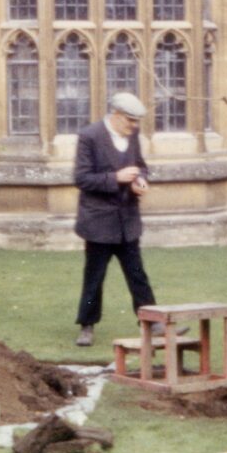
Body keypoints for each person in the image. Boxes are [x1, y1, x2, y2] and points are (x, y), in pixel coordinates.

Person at [72, 92, 159, 347]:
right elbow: (82, 178)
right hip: (98, 222)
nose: (134, 126)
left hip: (127, 220)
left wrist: (140, 179)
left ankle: (152, 322)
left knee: (137, 274)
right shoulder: (89, 136)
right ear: (116, 115)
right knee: (94, 278)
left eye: (136, 122)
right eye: (131, 121)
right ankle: (86, 326)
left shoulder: (132, 138)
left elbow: (141, 166)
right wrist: (116, 178)